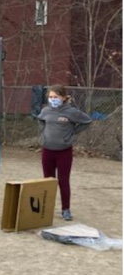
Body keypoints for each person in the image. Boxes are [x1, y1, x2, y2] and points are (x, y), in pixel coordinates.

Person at [37, 84, 92, 221]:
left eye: (55, 97)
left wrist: (72, 134)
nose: (52, 99)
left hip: (64, 152)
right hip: (47, 150)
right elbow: (40, 119)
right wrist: (43, 133)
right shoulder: (46, 110)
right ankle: (47, 208)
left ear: (63, 97)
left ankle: (65, 209)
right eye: (50, 97)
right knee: (48, 180)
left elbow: (87, 121)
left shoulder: (71, 112)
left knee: (63, 181)